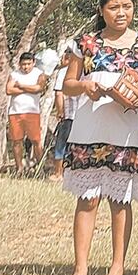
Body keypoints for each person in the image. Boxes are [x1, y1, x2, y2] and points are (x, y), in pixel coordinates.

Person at [61, 0, 138, 275]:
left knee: (120, 201)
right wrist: (85, 86)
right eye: (113, 7)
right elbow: (68, 84)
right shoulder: (85, 43)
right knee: (87, 200)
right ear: (102, 10)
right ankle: (80, 269)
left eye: (126, 6)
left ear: (133, 9)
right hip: (88, 128)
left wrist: (135, 95)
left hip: (125, 131)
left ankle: (117, 270)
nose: (120, 12)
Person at [7, 52, 47, 174]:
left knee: (36, 141)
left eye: (28, 64)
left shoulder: (39, 74)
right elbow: (9, 90)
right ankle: (19, 168)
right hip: (15, 112)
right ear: (19, 64)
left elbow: (38, 88)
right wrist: (29, 88)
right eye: (23, 64)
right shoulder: (14, 74)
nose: (26, 67)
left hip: (32, 112)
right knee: (16, 141)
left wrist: (20, 86)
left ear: (33, 63)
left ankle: (40, 168)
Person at [50, 51, 76, 181]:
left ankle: (58, 173)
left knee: (61, 144)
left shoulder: (64, 72)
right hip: (82, 115)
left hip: (69, 114)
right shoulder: (84, 70)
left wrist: (60, 112)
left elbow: (59, 94)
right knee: (76, 145)